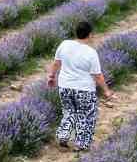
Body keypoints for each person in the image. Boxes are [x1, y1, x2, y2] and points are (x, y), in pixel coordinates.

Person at [48, 21, 112, 150]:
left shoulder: (64, 44)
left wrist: (51, 76)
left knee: (69, 112)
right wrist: (106, 91)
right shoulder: (91, 52)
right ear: (90, 35)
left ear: (75, 32)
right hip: (84, 89)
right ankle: (81, 144)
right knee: (86, 115)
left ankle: (63, 136)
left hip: (65, 86)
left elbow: (56, 63)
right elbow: (97, 75)